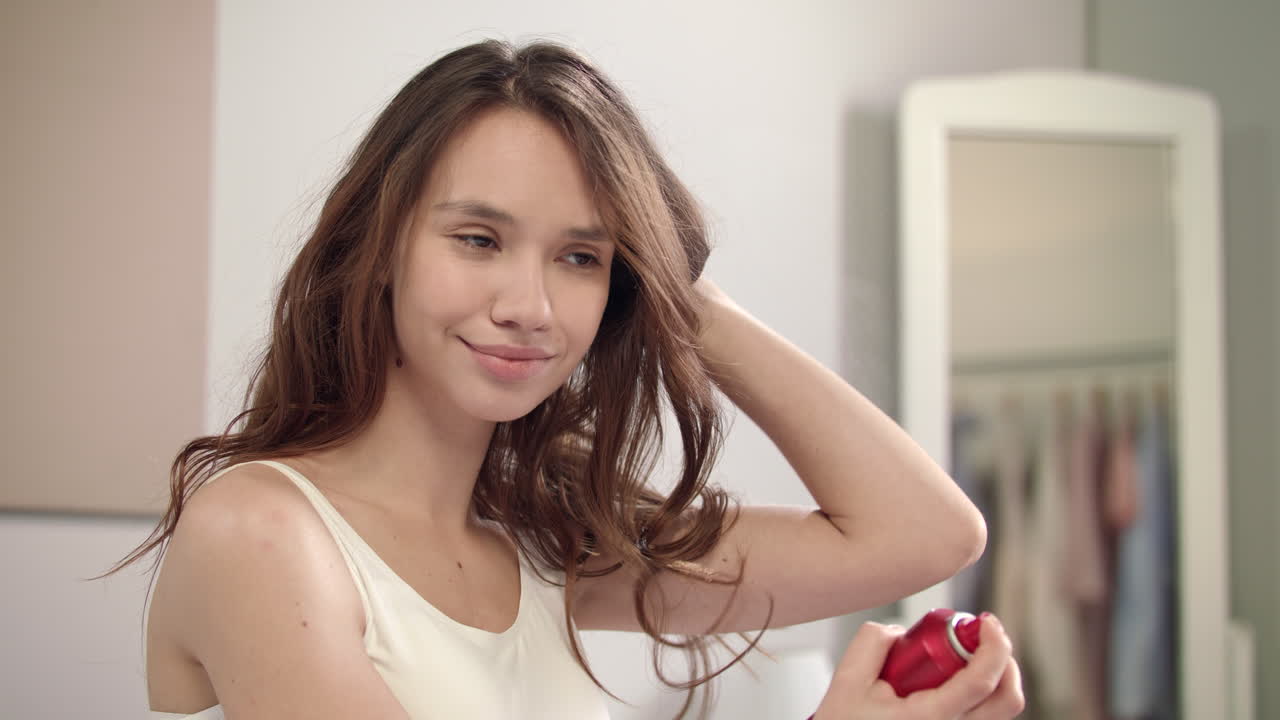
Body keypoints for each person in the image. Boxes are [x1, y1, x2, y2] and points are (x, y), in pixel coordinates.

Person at [113, 39, 1024, 719]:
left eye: (581, 257)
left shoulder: (544, 549)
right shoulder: (263, 535)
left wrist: (672, 285)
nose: (531, 306)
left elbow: (926, 535)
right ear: (379, 247)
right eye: (479, 239)